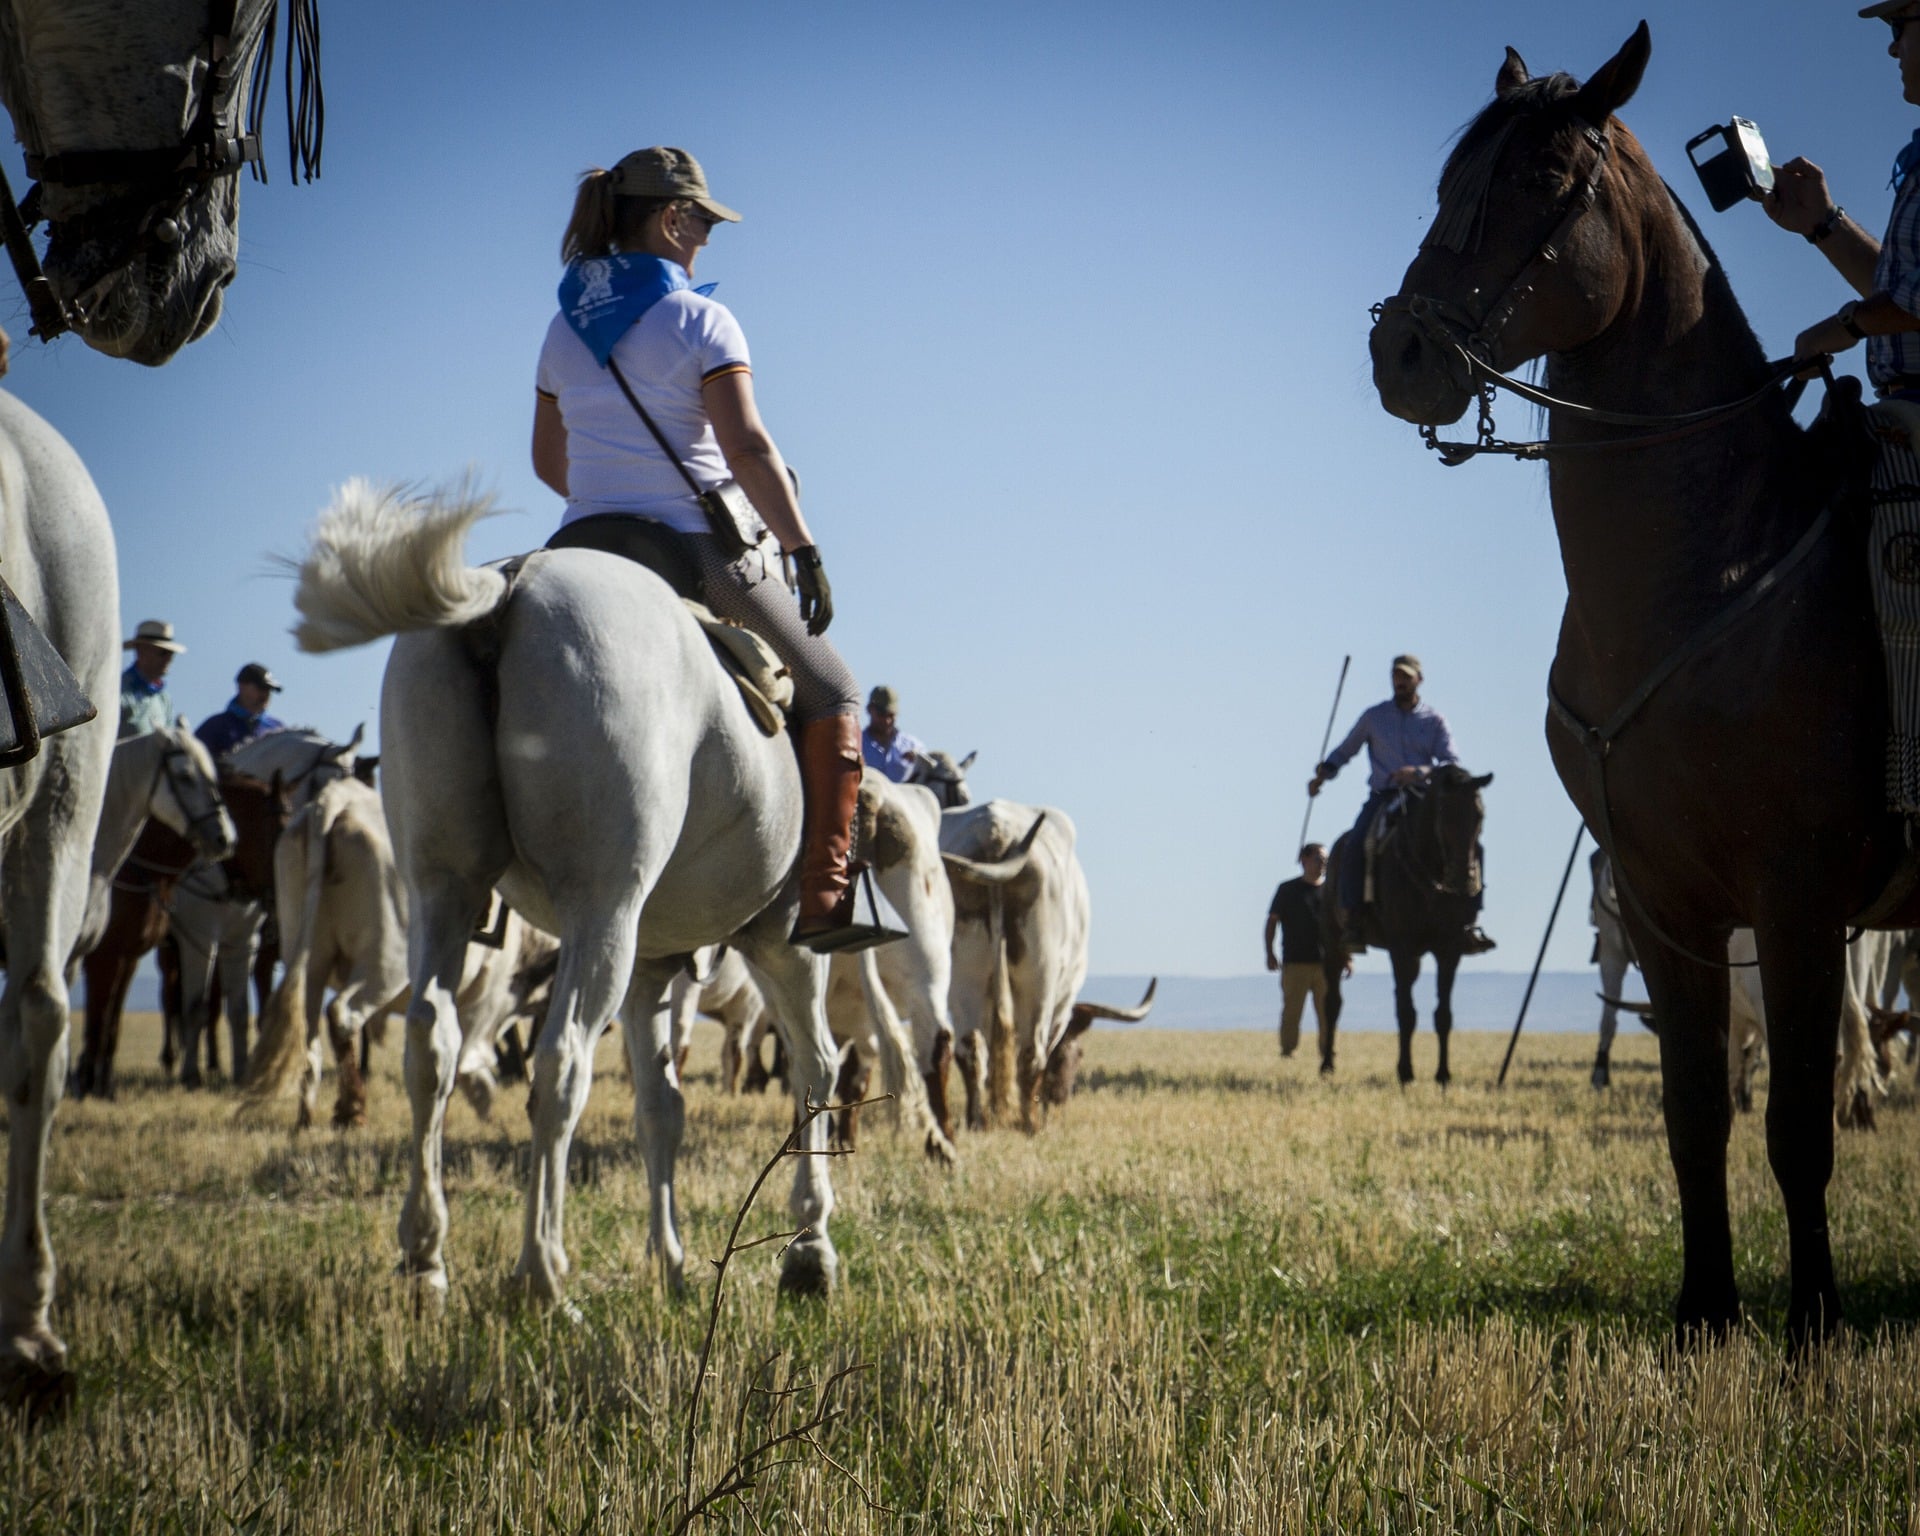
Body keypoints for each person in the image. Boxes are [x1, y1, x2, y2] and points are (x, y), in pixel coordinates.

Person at [530, 146, 871, 951]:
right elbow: (747, 449)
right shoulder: (701, 319)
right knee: (835, 691)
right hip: (689, 545)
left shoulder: (561, 327)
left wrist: (612, 492)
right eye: (704, 224)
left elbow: (550, 463)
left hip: (581, 538)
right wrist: (804, 547)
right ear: (671, 217)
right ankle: (825, 899)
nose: (707, 242)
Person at [1306, 654, 1495, 954]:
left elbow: (1451, 764)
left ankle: (1468, 921)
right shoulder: (1374, 717)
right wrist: (1324, 773)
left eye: (1406, 676)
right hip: (1384, 796)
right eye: (1396, 675)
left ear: (1419, 680)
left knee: (1471, 844)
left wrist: (1419, 772)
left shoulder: (1434, 721)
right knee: (1355, 844)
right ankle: (1354, 919)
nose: (1400, 681)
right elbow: (1346, 750)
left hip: (1425, 798)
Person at [1264, 843, 1348, 1072]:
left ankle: (1328, 1053)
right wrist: (1270, 952)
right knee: (1292, 1012)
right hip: (1295, 963)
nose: (1323, 865)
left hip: (1327, 965)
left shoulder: (1332, 891)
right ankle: (1288, 1053)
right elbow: (1272, 921)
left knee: (1327, 1013)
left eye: (1326, 861)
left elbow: (1342, 926)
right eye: (1318, 859)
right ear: (1304, 860)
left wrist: (1347, 957)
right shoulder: (1288, 890)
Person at [196, 662, 286, 760]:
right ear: (241, 686)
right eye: (261, 688)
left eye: (269, 690)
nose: (266, 694)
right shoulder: (215, 726)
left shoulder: (277, 728)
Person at [119, 619, 182, 739]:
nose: (169, 658)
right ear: (142, 650)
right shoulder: (117, 689)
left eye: (171, 653)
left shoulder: (164, 699)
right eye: (164, 652)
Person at [862, 685, 925, 783]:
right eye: (881, 715)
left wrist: (919, 761)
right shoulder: (857, 745)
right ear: (869, 710)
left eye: (891, 715)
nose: (887, 721)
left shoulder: (914, 746)